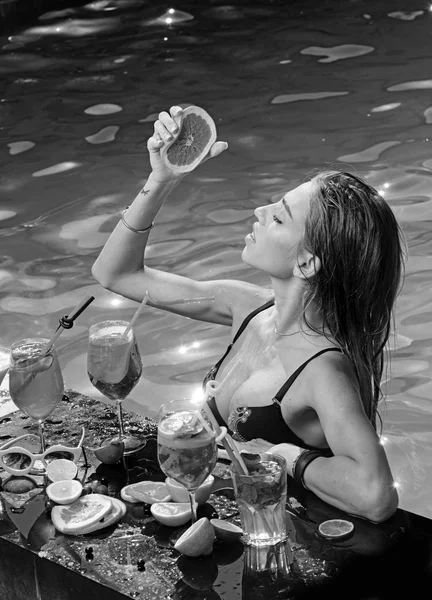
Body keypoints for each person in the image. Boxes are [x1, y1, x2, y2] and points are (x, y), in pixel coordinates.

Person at [92, 105, 405, 523]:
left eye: (278, 217)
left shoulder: (323, 371)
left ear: (308, 263)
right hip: (216, 516)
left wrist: (291, 456)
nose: (260, 211)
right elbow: (115, 273)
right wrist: (162, 179)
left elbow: (376, 495)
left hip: (279, 540)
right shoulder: (246, 306)